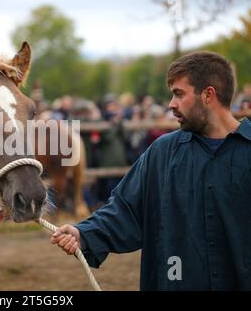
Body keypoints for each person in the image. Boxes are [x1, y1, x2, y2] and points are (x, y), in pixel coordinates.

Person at [50, 51, 251, 290]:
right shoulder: (162, 153)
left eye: (179, 94)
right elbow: (125, 209)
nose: (171, 104)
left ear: (208, 95)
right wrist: (84, 233)